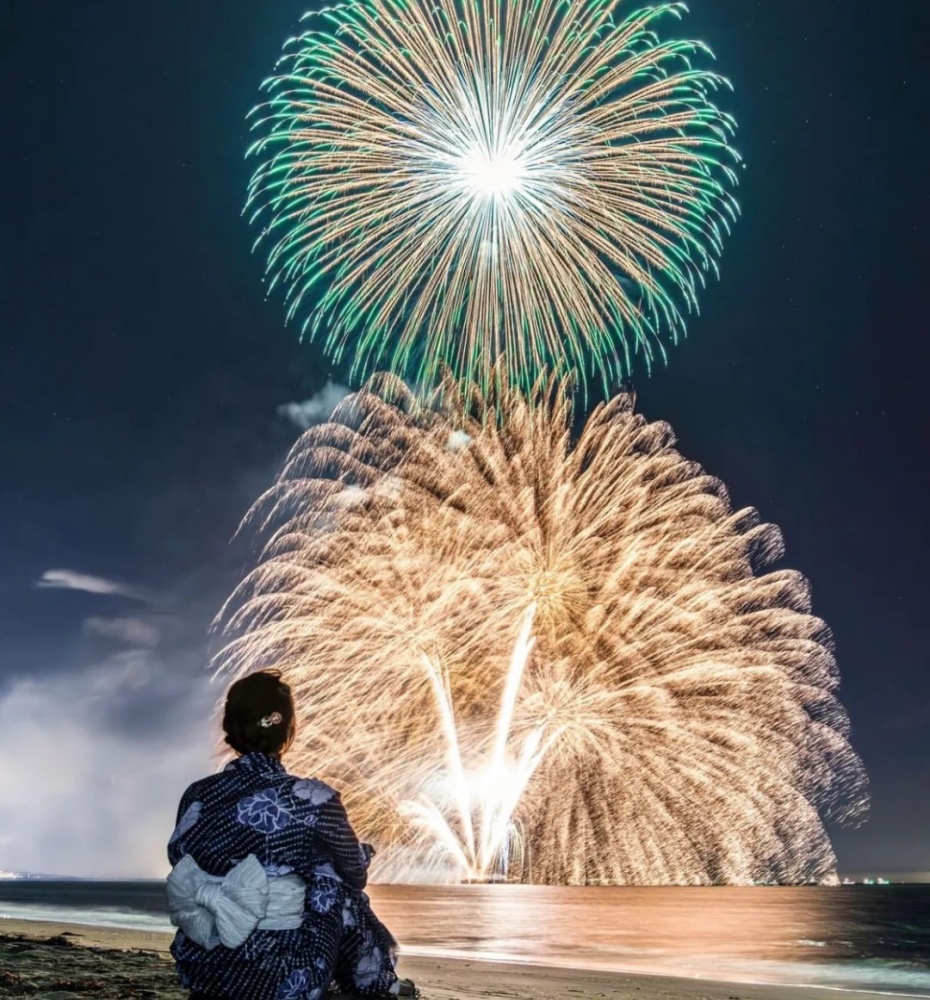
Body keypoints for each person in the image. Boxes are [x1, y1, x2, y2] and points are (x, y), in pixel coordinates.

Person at [166, 669, 416, 1000]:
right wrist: (360, 854)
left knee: (313, 863)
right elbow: (355, 874)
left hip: (204, 963)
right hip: (282, 971)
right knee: (334, 878)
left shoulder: (198, 794)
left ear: (231, 729)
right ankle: (372, 980)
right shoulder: (313, 798)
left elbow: (178, 855)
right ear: (287, 728)